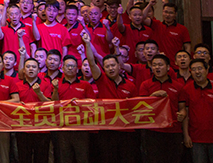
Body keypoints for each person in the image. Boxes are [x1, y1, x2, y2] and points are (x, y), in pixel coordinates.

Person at [83, 32, 138, 163]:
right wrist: (87, 43)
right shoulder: (101, 80)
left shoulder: (130, 86)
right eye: (107, 66)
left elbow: (137, 107)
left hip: (126, 131)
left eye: (113, 65)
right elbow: (91, 63)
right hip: (107, 129)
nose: (110, 68)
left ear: (119, 66)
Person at [179, 59, 213, 163]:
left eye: (200, 68)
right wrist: (186, 135)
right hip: (196, 138)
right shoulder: (187, 89)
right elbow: (186, 114)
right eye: (194, 69)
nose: (197, 72)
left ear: (207, 70)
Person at [138, 54, 183, 163]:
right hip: (153, 130)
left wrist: (182, 114)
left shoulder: (178, 86)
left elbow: (182, 108)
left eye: (160, 65)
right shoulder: (145, 85)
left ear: (168, 67)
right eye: (154, 65)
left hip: (173, 130)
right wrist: (153, 96)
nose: (157, 67)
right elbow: (142, 108)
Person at [51, 54, 94, 163]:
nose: (70, 68)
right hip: (63, 127)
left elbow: (93, 105)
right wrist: (55, 89)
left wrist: (80, 103)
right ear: (62, 68)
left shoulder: (85, 85)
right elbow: (53, 104)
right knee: (65, 157)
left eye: (73, 66)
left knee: (82, 158)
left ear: (77, 69)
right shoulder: (57, 84)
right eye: (67, 66)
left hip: (81, 128)